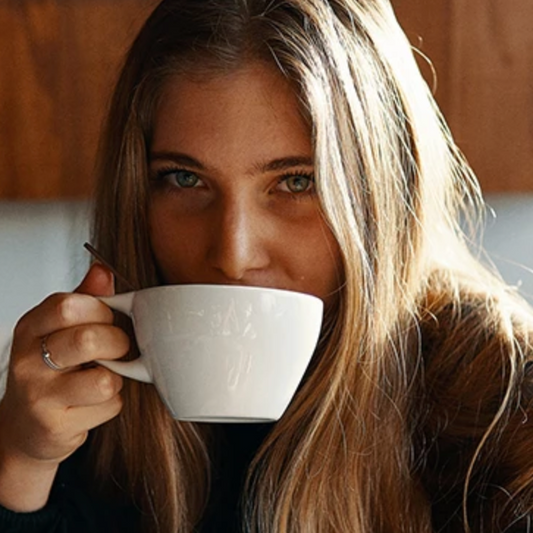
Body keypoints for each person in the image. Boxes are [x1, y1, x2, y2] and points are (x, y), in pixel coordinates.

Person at [1, 0, 533, 531]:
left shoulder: (506, 416)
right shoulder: (81, 418)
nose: (233, 255)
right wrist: (22, 465)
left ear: (384, 196)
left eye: (297, 182)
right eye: (185, 179)